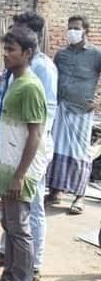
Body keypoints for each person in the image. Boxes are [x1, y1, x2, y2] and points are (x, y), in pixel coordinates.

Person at [0, 12, 58, 281]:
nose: (6, 53)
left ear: (28, 49)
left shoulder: (37, 76)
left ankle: (26, 274)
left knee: (26, 219)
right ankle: (10, 273)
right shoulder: (15, 76)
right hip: (12, 157)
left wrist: (22, 173)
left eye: (12, 48)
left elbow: (37, 128)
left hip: (26, 161)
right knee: (11, 221)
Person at [46, 15, 101, 215]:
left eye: (76, 28)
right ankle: (55, 191)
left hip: (81, 112)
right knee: (56, 149)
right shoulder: (61, 54)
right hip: (60, 108)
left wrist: (98, 102)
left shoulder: (96, 54)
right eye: (69, 28)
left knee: (79, 154)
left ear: (86, 30)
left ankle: (79, 196)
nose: (72, 31)